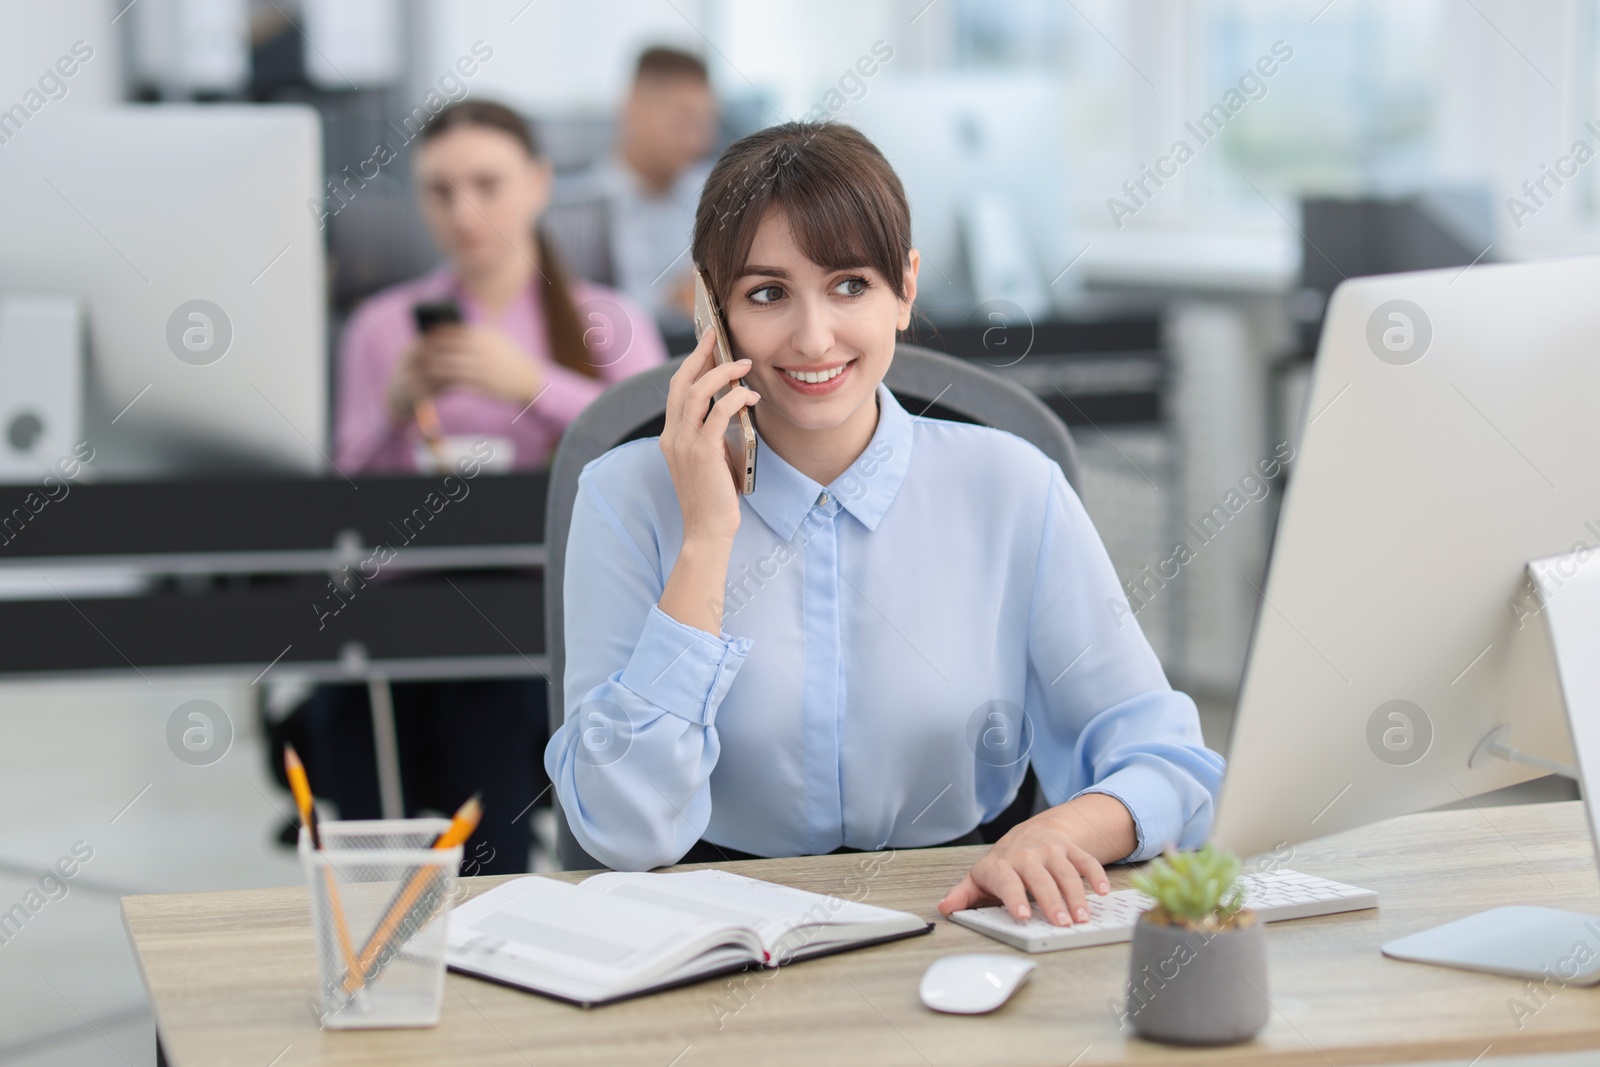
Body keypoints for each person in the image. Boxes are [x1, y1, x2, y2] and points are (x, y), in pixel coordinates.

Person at [546, 121, 1225, 927]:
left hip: (960, 913)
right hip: (706, 934)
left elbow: (1170, 762)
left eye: (849, 286)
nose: (812, 337)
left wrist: (1058, 830)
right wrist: (705, 540)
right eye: (766, 294)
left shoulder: (1011, 486)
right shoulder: (626, 496)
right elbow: (622, 828)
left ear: (904, 289)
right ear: (710, 310)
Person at [307, 100, 666, 874]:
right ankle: (389, 906)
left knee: (492, 715)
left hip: (541, 610)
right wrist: (394, 413)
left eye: (486, 184)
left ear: (538, 183)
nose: (464, 209)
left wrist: (532, 383)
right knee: (344, 716)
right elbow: (345, 502)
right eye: (440, 190)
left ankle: (484, 898)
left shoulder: (609, 322)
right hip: (408, 604)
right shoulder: (381, 326)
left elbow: (654, 452)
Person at [564, 46, 717, 332]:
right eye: (683, 120)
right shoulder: (576, 209)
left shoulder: (720, 192)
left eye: (704, 122)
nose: (697, 140)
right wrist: (673, 300)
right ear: (634, 108)